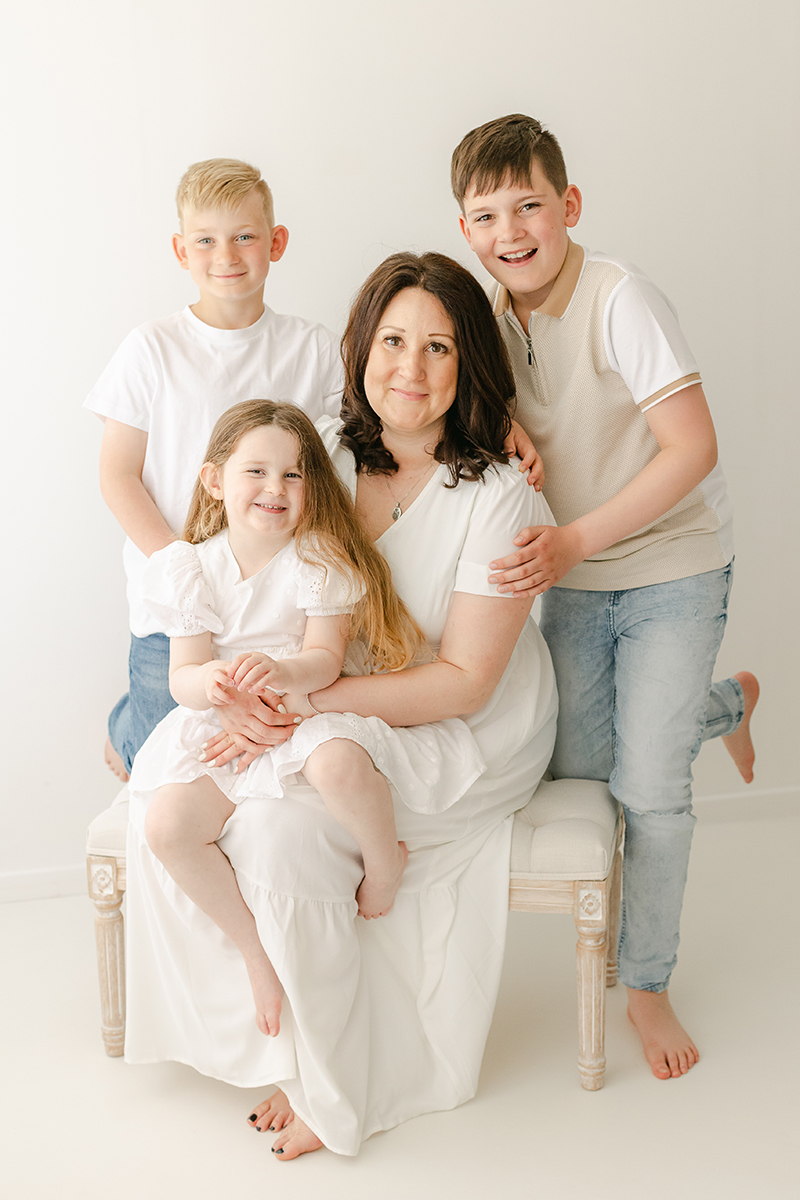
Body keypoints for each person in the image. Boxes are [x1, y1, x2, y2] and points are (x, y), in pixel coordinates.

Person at [124, 251, 558, 1160]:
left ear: (469, 362)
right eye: (392, 341)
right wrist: (246, 698)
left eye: (439, 348)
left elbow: (466, 681)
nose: (410, 368)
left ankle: (338, 1079)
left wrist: (303, 705)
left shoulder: (498, 493)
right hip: (311, 698)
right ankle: (290, 1050)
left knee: (290, 826)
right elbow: (232, 549)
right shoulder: (317, 451)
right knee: (225, 822)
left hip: (451, 717)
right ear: (361, 349)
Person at [451, 113, 760, 1081]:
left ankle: (645, 983)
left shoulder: (620, 298)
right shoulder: (491, 317)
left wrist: (576, 535)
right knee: (580, 768)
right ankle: (724, 706)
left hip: (669, 568)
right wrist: (501, 416)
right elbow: (475, 400)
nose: (509, 230)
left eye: (528, 205)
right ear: (463, 228)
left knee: (649, 793)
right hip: (573, 578)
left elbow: (693, 446)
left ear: (568, 206)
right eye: (483, 213)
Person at [128, 399, 487, 1037]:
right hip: (228, 724)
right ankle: (253, 949)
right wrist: (211, 683)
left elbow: (324, 658)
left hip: (302, 709)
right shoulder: (192, 567)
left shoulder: (319, 558)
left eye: (294, 475)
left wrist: (283, 672)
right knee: (167, 826)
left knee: (340, 764)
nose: (276, 489)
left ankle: (384, 862)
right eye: (256, 472)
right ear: (215, 480)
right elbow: (184, 674)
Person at [85, 158, 343, 783]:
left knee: (251, 765)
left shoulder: (312, 349)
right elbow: (118, 475)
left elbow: (347, 458)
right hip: (173, 611)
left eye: (245, 236)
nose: (225, 254)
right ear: (181, 250)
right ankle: (127, 728)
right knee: (159, 762)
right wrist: (178, 564)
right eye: (205, 239)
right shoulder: (151, 348)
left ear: (275, 243)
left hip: (274, 611)